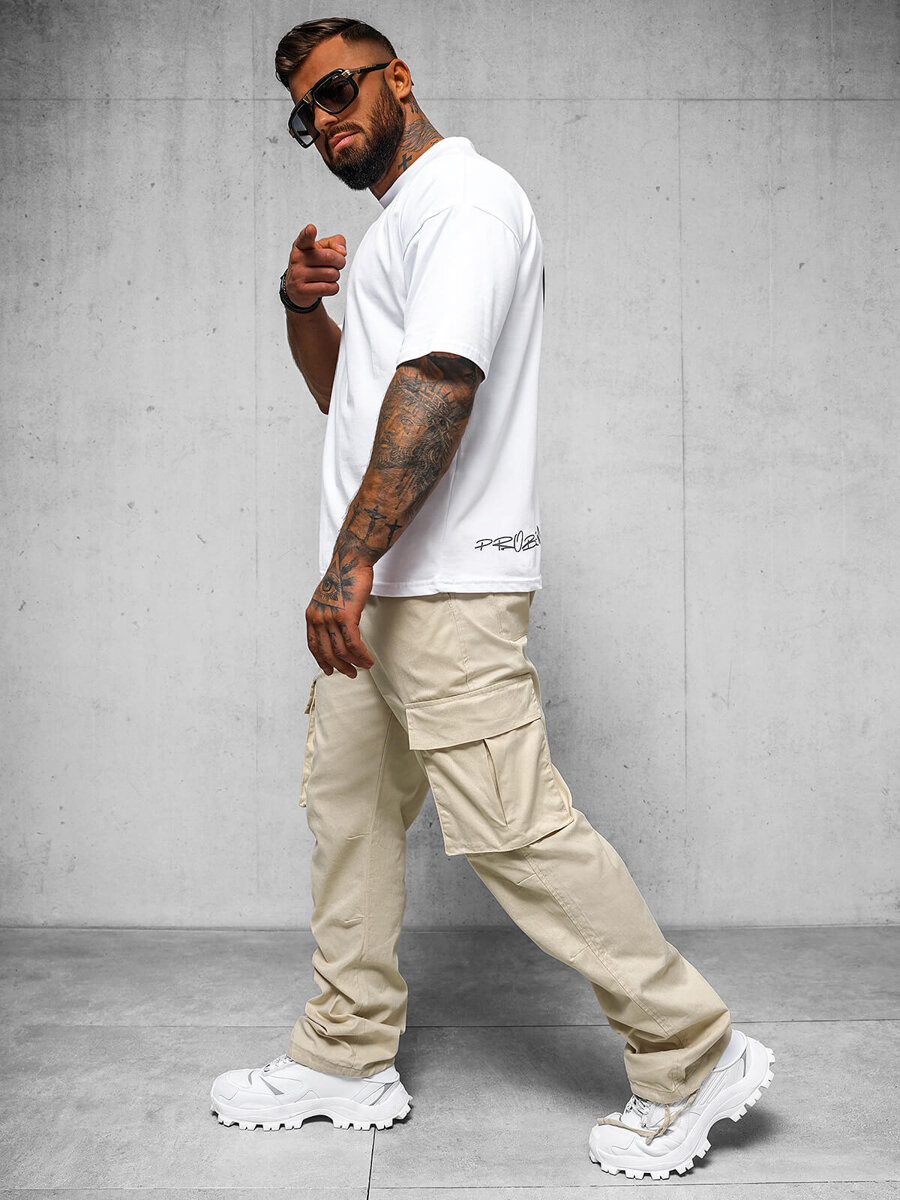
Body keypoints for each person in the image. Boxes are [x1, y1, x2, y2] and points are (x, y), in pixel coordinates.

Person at [209, 17, 774, 1180]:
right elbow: (358, 400)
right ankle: (345, 1054)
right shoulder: (395, 230)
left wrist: (348, 563)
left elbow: (437, 387)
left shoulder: (464, 201)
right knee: (349, 816)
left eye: (337, 90)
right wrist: (304, 311)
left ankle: (691, 1049)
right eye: (305, 113)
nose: (323, 120)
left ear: (398, 78)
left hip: (442, 585)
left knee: (516, 829)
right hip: (380, 590)